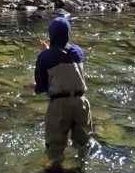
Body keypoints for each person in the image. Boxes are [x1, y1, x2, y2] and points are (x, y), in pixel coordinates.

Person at [28, 16, 92, 165]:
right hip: (81, 103)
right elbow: (64, 55)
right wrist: (49, 51)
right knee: (83, 142)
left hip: (59, 106)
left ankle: (55, 172)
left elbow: (42, 87)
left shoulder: (44, 57)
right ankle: (81, 168)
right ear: (68, 33)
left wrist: (34, 87)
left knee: (55, 146)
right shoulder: (78, 51)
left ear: (52, 34)